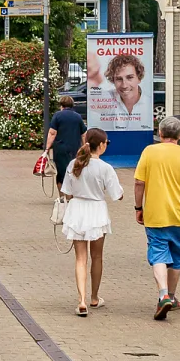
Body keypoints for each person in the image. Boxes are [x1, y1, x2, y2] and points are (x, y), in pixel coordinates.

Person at [134, 116, 180, 320]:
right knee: (177, 258)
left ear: (160, 134)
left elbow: (139, 182)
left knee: (158, 254)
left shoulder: (149, 152)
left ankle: (162, 294)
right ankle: (171, 297)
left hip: (155, 214)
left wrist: (139, 207)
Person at [61, 129, 123, 315]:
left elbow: (66, 191)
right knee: (97, 256)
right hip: (96, 211)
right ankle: (94, 297)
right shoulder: (105, 168)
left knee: (81, 258)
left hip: (77, 210)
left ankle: (81, 300)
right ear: (102, 145)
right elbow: (116, 194)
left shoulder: (74, 164)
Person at [44, 94, 86, 187]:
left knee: (61, 173)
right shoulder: (78, 117)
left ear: (61, 105)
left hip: (60, 149)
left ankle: (62, 198)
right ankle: (72, 196)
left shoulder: (57, 116)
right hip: (75, 148)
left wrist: (47, 148)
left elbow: (52, 133)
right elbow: (83, 135)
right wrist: (84, 148)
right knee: (73, 171)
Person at [101, 54, 152, 124]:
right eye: (119, 79)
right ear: (113, 81)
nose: (124, 85)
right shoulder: (106, 100)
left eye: (130, 77)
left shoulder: (149, 104)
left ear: (139, 78)